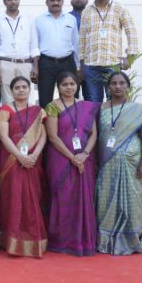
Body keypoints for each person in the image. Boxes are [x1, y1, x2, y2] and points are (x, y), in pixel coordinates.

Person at [96, 71, 142, 256]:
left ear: (128, 87)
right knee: (105, 202)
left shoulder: (137, 110)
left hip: (132, 165)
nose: (118, 86)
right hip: (107, 165)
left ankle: (132, 241)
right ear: (108, 87)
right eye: (114, 83)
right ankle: (106, 242)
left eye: (122, 83)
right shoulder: (100, 109)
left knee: (132, 202)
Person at [44, 72, 99, 256]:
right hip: (60, 159)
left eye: (72, 84)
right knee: (63, 197)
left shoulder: (86, 107)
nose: (69, 87)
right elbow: (53, 136)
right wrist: (72, 157)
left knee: (83, 197)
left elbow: (93, 134)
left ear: (77, 86)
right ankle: (63, 240)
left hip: (84, 159)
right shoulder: (53, 106)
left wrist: (84, 154)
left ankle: (83, 239)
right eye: (65, 84)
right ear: (58, 87)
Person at [0, 76, 48, 257]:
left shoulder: (38, 111)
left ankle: (32, 239)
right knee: (13, 198)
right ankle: (11, 240)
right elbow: (3, 136)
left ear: (29, 89)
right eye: (17, 87)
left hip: (33, 161)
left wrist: (34, 155)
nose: (21, 90)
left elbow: (43, 136)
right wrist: (20, 157)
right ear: (11, 91)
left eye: (24, 87)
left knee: (32, 198)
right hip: (11, 160)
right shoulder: (5, 110)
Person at [79, 0, 139, 102]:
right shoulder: (86, 11)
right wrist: (82, 64)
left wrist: (130, 58)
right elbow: (82, 38)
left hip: (112, 63)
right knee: (94, 102)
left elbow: (131, 31)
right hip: (91, 65)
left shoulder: (119, 8)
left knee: (115, 101)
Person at [34, 0, 80, 108]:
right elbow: (35, 45)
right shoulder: (39, 20)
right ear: (46, 2)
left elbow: (76, 43)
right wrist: (35, 66)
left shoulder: (71, 19)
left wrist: (78, 66)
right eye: (52, 0)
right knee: (45, 98)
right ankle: (47, 120)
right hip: (46, 63)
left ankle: (70, 120)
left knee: (70, 96)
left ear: (62, 1)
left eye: (58, 0)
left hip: (67, 62)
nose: (55, 3)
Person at [0, 0, 39, 104]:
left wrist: (35, 67)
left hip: (25, 63)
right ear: (4, 2)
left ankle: (28, 117)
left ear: (19, 0)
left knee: (27, 96)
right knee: (8, 98)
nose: (13, 2)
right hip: (6, 64)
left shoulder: (29, 19)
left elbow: (34, 45)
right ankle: (9, 117)